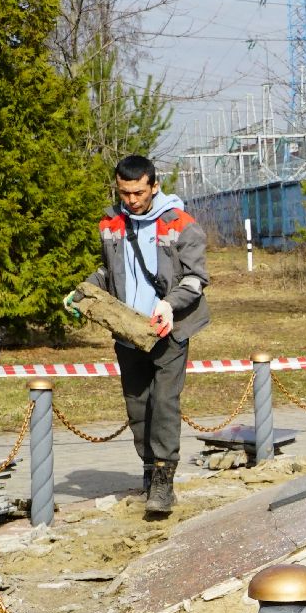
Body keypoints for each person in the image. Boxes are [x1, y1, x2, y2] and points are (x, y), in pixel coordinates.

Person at [64, 155, 210, 517]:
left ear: (155, 185)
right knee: (137, 406)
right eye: (124, 192)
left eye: (139, 192)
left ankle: (163, 480)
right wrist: (84, 291)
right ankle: (148, 470)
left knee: (163, 403)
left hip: (168, 329)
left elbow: (195, 279)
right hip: (127, 331)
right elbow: (109, 270)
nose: (131, 200)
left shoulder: (181, 224)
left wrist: (170, 305)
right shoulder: (111, 222)